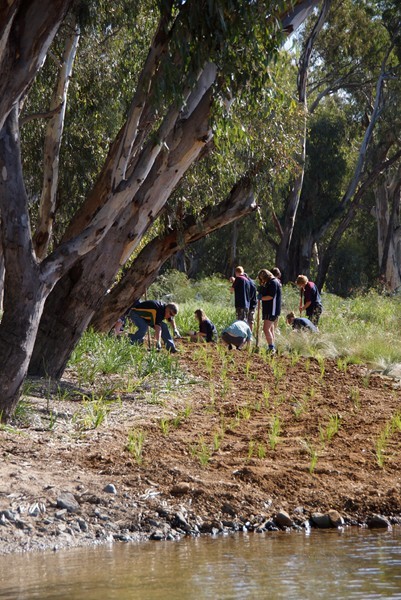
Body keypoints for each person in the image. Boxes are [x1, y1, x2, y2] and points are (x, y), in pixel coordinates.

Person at [258, 268, 282, 353]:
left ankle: (271, 347)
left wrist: (261, 298)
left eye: (262, 278)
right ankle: (272, 346)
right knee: (271, 329)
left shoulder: (273, 283)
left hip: (272, 308)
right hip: (269, 308)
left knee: (266, 328)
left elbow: (271, 296)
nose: (262, 280)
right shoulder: (271, 282)